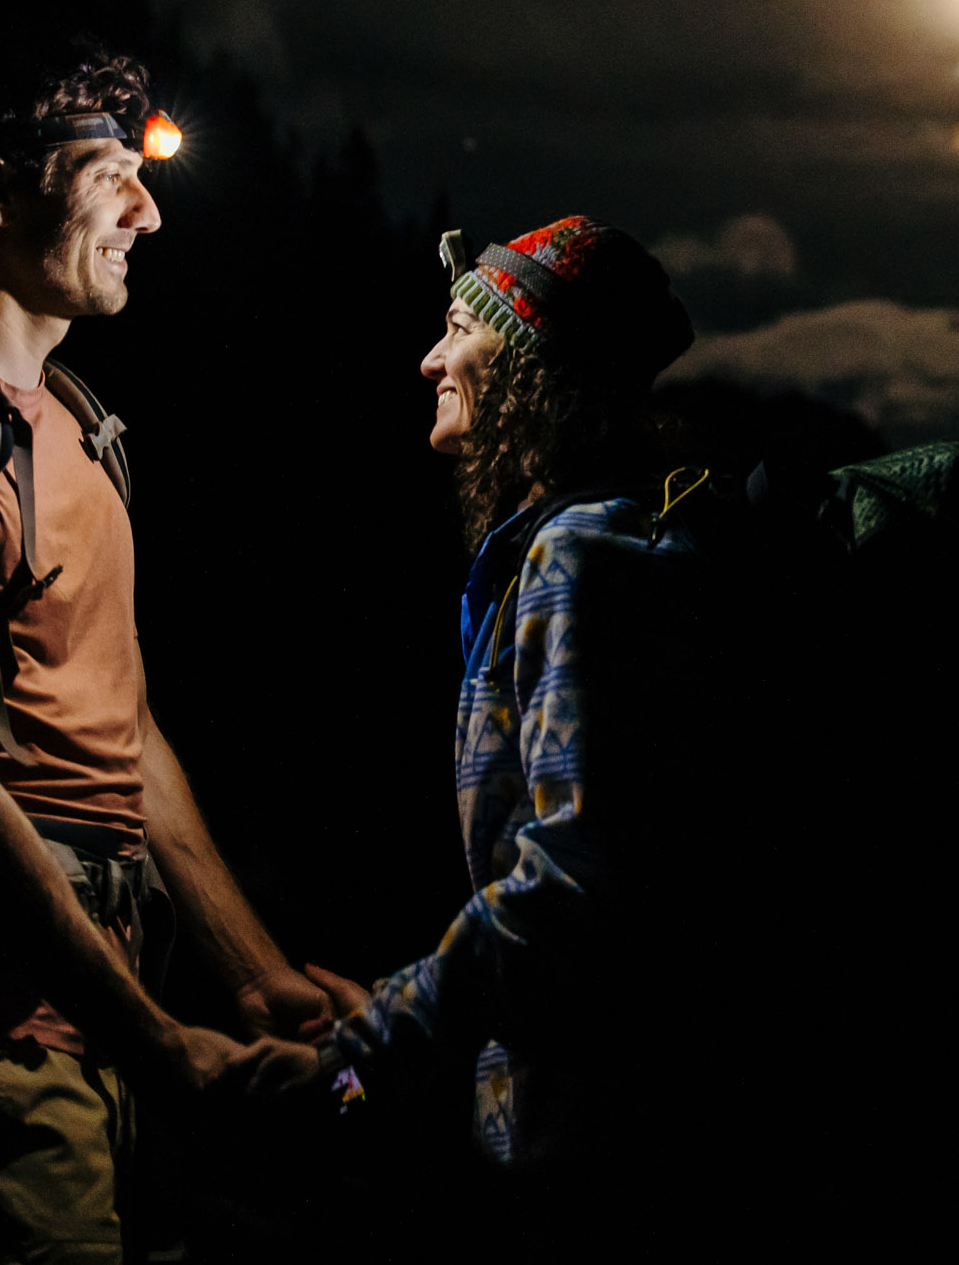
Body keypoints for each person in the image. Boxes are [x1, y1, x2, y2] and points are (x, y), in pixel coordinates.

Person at [0, 45, 328, 1261]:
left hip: (118, 1002)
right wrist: (153, 1039)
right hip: (3, 1019)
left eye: (146, 174)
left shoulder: (80, 421)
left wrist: (250, 974)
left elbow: (124, 729)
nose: (148, 210)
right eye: (109, 174)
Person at [301, 216, 724, 1223]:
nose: (429, 357)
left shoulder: (580, 554)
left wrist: (368, 1045)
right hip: (573, 1128)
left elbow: (577, 877)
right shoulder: (599, 542)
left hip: (601, 1149)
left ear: (531, 365)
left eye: (457, 327)